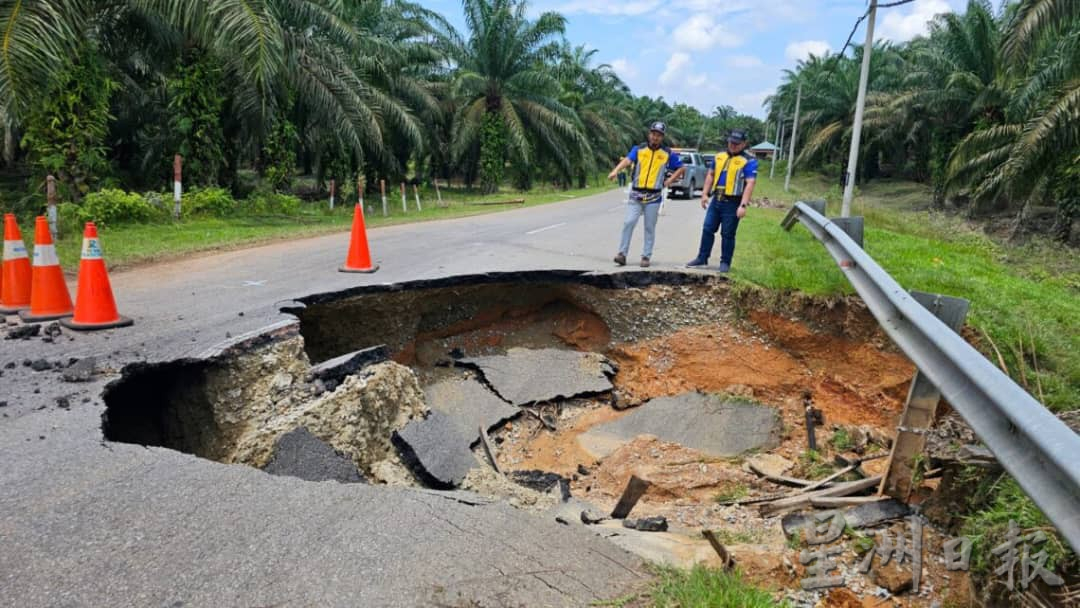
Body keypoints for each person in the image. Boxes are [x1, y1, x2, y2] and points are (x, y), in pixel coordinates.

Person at [606, 122, 685, 267]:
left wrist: (669, 181)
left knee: (649, 227)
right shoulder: (639, 149)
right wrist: (615, 171)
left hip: (654, 197)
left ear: (662, 137)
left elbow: (681, 168)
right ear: (649, 134)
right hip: (636, 194)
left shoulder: (667, 153)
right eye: (653, 134)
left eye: (659, 135)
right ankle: (622, 254)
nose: (655, 137)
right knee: (629, 222)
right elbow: (627, 160)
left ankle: (646, 256)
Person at [686, 128, 758, 273]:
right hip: (716, 199)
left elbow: (750, 183)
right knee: (707, 228)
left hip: (733, 201)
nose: (733, 145)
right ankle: (702, 257)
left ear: (744, 144)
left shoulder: (748, 161)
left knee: (728, 233)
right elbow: (710, 175)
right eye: (731, 142)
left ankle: (725, 262)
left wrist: (743, 205)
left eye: (737, 143)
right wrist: (704, 194)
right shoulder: (719, 157)